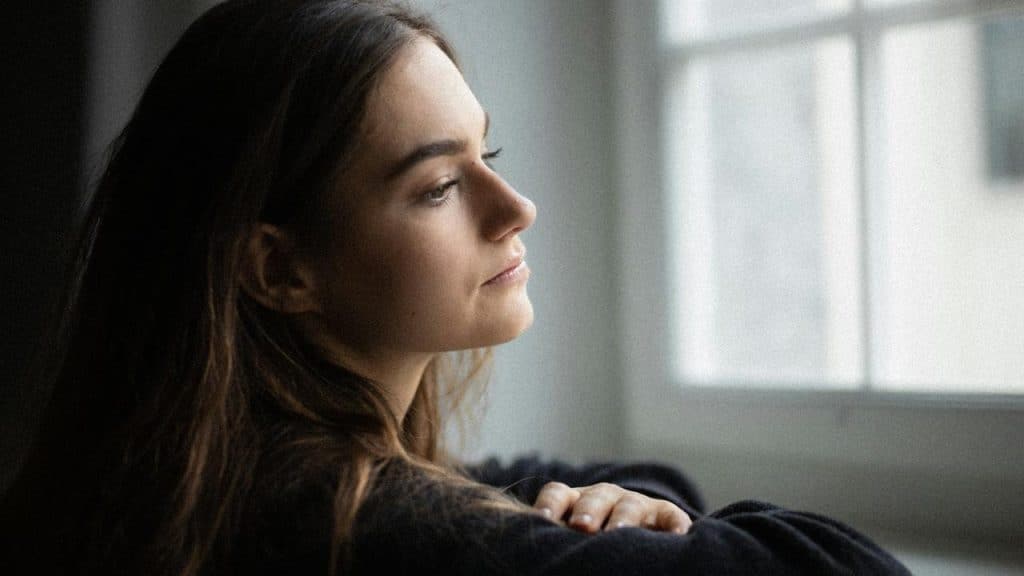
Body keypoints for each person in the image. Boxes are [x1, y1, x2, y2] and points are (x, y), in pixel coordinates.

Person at [0, 1, 911, 575]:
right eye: (438, 187)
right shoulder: (374, 532)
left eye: (491, 155)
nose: (515, 206)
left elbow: (616, 480)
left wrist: (629, 498)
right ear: (279, 268)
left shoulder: (229, 479)